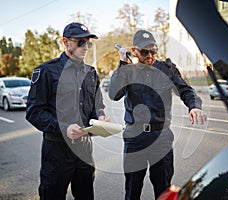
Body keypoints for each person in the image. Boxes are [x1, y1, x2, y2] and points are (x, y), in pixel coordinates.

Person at [108, 30, 207, 200]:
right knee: (132, 190)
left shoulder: (167, 69)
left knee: (164, 190)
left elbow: (185, 90)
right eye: (144, 51)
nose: (149, 55)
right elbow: (114, 94)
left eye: (153, 50)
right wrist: (122, 63)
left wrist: (194, 106)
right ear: (134, 50)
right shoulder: (128, 71)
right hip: (135, 137)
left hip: (161, 137)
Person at [26, 22, 108, 200]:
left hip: (85, 149)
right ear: (65, 42)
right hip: (57, 150)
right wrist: (64, 128)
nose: (85, 47)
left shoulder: (91, 73)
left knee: (85, 195)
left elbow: (97, 106)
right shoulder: (46, 71)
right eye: (80, 42)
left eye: (88, 43)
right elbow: (34, 112)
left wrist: (101, 117)